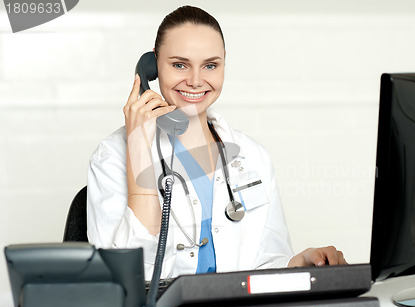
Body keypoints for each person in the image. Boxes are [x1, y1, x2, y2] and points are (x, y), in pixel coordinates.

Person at [87, 5, 347, 280]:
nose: (196, 81)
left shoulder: (252, 155)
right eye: (179, 65)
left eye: (210, 65)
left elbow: (263, 265)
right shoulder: (113, 156)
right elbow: (120, 281)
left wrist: (297, 264)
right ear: (152, 67)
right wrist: (139, 149)